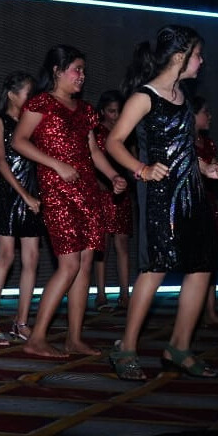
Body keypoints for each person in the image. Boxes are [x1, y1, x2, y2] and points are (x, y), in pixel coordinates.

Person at [105, 26, 218, 381]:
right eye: (198, 55)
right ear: (180, 57)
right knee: (155, 268)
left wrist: (206, 167)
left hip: (192, 191)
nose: (202, 62)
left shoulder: (182, 96)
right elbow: (114, 142)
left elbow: (185, 148)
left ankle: (179, 347)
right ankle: (125, 347)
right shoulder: (144, 97)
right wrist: (140, 169)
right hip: (160, 194)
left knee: (201, 266)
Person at [12, 44, 128, 359]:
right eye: (76, 69)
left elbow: (94, 152)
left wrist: (113, 176)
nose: (82, 76)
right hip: (59, 191)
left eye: (83, 70)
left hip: (88, 191)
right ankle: (36, 337)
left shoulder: (87, 110)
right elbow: (18, 141)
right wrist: (55, 164)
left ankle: (74, 338)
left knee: (86, 263)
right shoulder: (40, 103)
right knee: (69, 264)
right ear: (57, 71)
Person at [0, 71, 45, 345]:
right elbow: (0, 162)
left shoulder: (34, 122)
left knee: (32, 259)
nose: (32, 99)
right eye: (27, 94)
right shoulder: (0, 121)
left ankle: (21, 322)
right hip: (9, 194)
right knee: (6, 256)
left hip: (33, 193)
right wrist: (24, 195)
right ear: (11, 94)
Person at [192, 94, 218, 328]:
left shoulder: (209, 144)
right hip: (191, 206)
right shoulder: (184, 143)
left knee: (212, 259)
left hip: (209, 205)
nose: (209, 116)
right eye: (204, 111)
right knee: (198, 262)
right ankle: (194, 313)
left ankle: (210, 310)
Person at [91, 89, 133, 313]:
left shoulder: (125, 134)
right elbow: (91, 161)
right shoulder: (96, 133)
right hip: (100, 192)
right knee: (102, 245)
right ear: (102, 112)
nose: (115, 116)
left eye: (119, 111)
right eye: (111, 111)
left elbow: (132, 161)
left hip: (121, 192)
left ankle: (125, 294)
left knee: (122, 243)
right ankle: (100, 293)